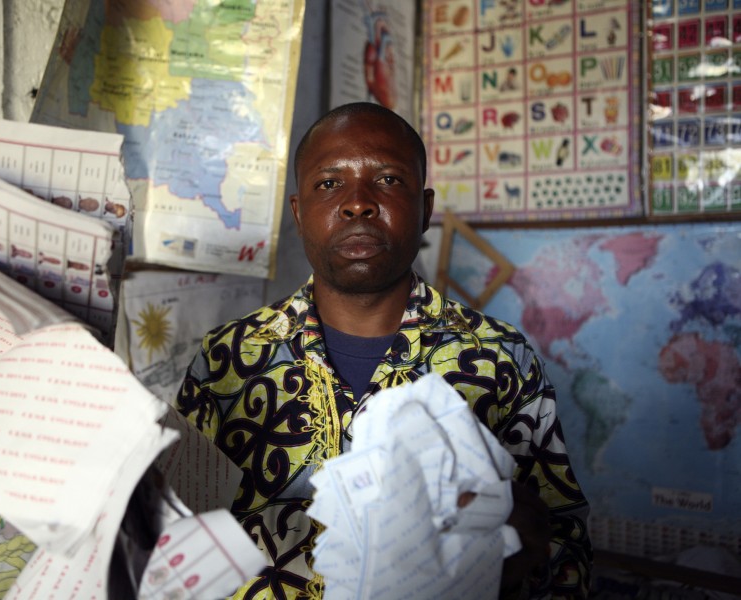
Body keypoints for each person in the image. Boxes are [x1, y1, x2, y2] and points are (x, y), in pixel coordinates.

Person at [176, 102, 592, 599]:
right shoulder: (228, 358)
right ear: (298, 211)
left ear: (426, 209)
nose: (358, 204)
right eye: (329, 183)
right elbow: (177, 536)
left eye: (389, 181)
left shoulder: (502, 359)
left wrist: (521, 558)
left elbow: (566, 549)